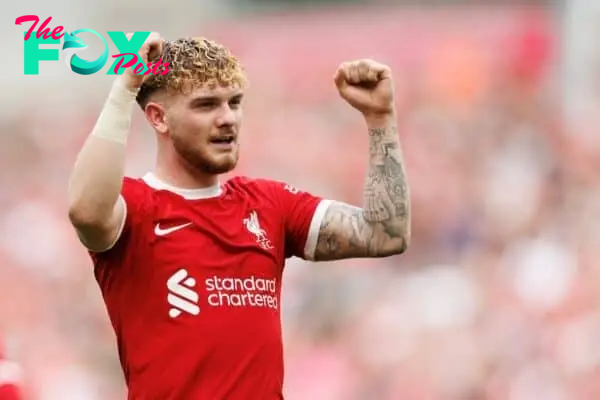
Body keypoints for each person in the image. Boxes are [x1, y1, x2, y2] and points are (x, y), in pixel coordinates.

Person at [67, 33, 411, 399]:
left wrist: (380, 118)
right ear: (159, 118)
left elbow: (385, 233)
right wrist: (125, 87)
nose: (227, 118)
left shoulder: (268, 204)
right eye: (206, 105)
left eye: (234, 102)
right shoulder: (136, 208)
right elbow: (85, 210)